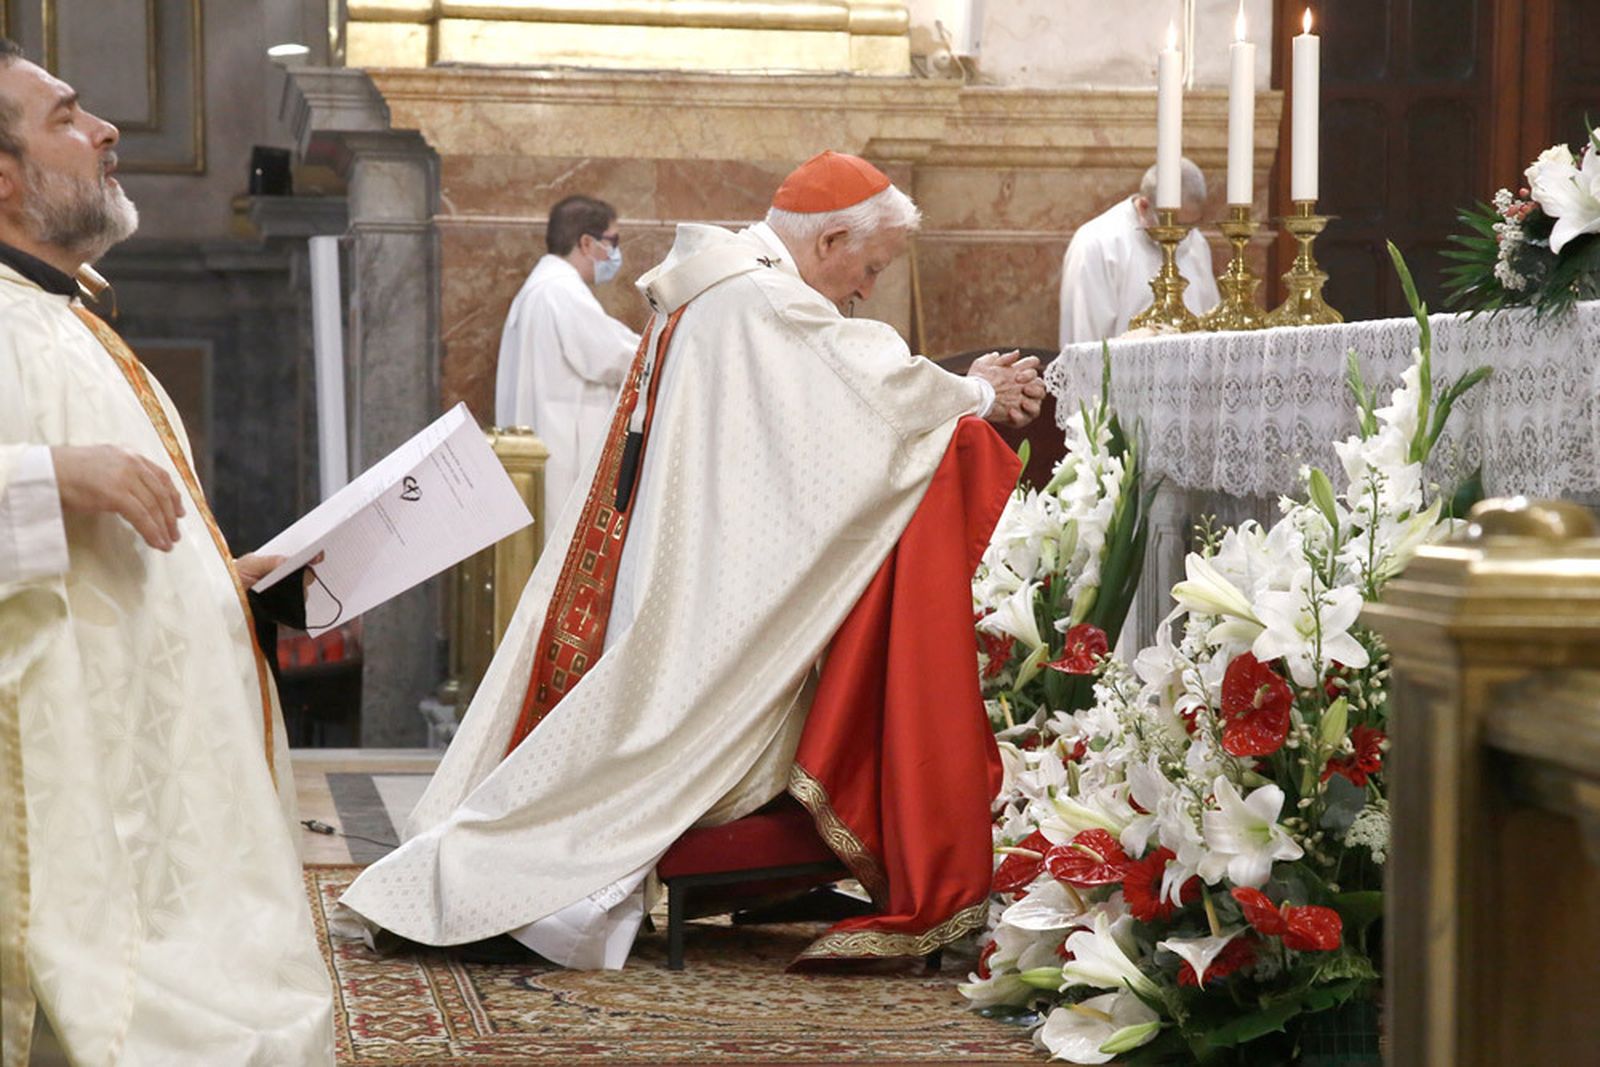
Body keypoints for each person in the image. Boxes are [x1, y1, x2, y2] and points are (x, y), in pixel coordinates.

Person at [333, 151, 1046, 970]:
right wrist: (979, 393)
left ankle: (485, 885)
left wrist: (962, 388)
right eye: (871, 266)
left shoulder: (723, 282)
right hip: (707, 591)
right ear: (834, 238)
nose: (866, 289)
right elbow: (861, 393)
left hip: (684, 555)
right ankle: (504, 897)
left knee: (631, 741)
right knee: (650, 749)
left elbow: (832, 392)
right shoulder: (761, 298)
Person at [0, 40, 334, 1064]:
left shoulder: (71, 319)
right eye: (67, 117)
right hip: (73, 803)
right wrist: (48, 474)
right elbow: (57, 484)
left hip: (159, 792)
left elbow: (121, 543)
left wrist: (217, 581)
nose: (105, 132)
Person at [494, 194, 641, 537]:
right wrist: (667, 347)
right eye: (613, 242)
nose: (615, 254)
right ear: (587, 243)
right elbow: (611, 354)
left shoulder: (539, 289)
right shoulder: (560, 291)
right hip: (561, 455)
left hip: (537, 450)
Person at [1058, 158, 1221, 346]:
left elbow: (1209, 327)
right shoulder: (1096, 245)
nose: (1180, 237)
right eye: (1174, 226)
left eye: (1189, 226)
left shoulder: (1195, 242)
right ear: (1144, 207)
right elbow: (1084, 345)